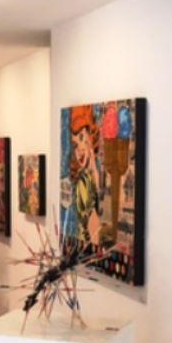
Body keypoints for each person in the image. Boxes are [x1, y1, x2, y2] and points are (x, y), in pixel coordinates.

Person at [68, 105, 102, 246]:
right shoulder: (82, 181)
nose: (80, 149)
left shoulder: (90, 179)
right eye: (75, 144)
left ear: (90, 136)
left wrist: (92, 159)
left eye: (82, 138)